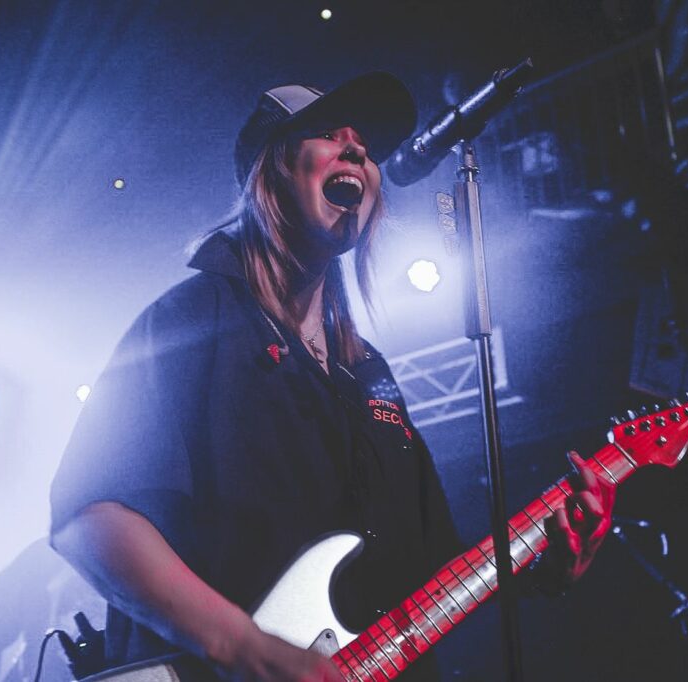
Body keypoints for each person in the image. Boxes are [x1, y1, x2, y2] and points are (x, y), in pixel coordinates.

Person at [49, 72, 614, 682]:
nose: (357, 150)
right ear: (269, 170)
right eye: (328, 133)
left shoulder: (368, 374)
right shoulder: (190, 322)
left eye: (364, 146)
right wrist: (244, 646)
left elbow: (429, 573)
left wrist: (540, 566)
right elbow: (89, 517)